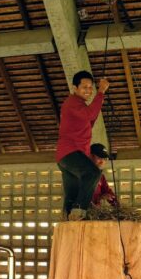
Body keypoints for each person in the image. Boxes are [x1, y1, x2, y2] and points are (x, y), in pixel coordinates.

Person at [56, 70, 110, 220]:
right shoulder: (72, 102)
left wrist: (99, 97)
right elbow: (90, 115)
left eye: (91, 87)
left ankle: (68, 217)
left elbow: (89, 120)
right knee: (93, 173)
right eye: (84, 87)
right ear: (75, 88)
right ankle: (79, 211)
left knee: (72, 191)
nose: (88, 90)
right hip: (71, 152)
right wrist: (101, 91)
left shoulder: (80, 106)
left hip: (66, 156)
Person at [90, 143, 118, 207]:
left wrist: (118, 207)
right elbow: (81, 197)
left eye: (104, 159)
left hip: (96, 213)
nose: (102, 162)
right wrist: (100, 197)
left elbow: (108, 192)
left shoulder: (100, 176)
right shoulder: (81, 174)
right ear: (90, 156)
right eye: (99, 158)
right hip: (81, 214)